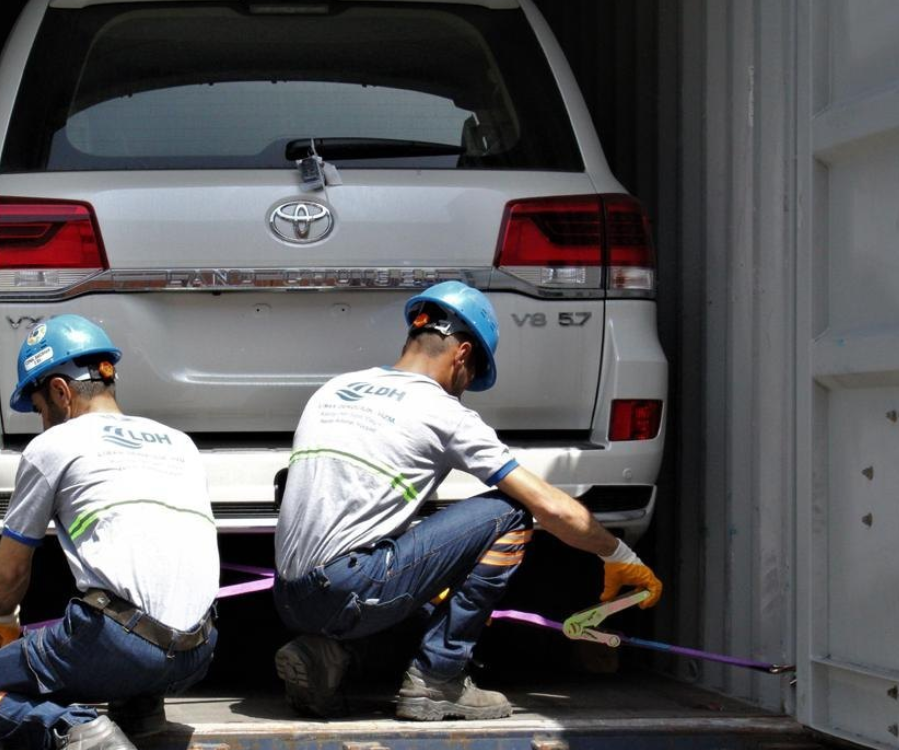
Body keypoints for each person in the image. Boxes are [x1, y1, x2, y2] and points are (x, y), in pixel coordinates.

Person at [272, 281, 663, 721]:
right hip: (350, 587)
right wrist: (617, 553)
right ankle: (438, 679)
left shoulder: (335, 390)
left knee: (425, 610)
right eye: (474, 374)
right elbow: (550, 508)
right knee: (509, 512)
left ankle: (328, 654)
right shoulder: (443, 413)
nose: (467, 386)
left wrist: (432, 574)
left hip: (289, 596)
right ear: (462, 355)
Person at [0, 314, 220, 750]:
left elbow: (10, 571)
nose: (42, 422)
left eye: (41, 409)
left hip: (118, 645)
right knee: (129, 641)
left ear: (60, 391)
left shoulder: (54, 446)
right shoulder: (180, 444)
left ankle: (75, 732)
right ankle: (141, 714)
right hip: (198, 652)